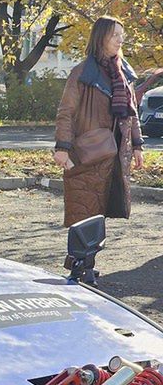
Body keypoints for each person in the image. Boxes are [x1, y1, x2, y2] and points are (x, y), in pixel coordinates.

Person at [53, 16, 144, 227]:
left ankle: (87, 259)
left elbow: (132, 113)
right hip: (89, 154)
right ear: (101, 37)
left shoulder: (124, 73)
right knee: (83, 216)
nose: (121, 40)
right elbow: (66, 112)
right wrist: (62, 147)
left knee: (100, 216)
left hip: (116, 155)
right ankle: (78, 260)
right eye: (115, 35)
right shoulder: (83, 72)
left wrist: (138, 145)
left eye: (122, 35)